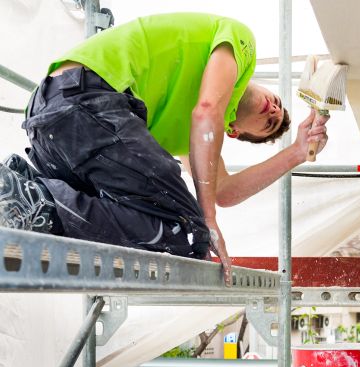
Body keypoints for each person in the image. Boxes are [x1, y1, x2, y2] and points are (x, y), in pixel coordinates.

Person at [0, 12, 328, 284]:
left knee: (148, 226)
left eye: (271, 124)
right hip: (86, 99)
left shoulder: (188, 134)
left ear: (234, 131)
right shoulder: (240, 43)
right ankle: (39, 202)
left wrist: (298, 151)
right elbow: (208, 109)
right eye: (279, 104)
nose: (275, 110)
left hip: (58, 120)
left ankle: (27, 189)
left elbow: (223, 190)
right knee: (187, 235)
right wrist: (207, 221)